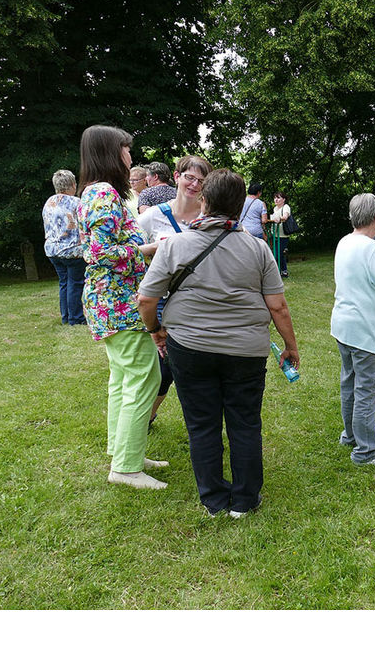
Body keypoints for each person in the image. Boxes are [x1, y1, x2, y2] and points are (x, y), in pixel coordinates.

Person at [137, 169, 299, 517]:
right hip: (246, 352)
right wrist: (291, 346)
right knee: (244, 422)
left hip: (189, 349)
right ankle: (244, 500)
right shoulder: (258, 250)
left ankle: (213, 499)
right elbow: (278, 306)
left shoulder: (175, 246)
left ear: (204, 202)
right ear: (241, 207)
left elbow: (146, 300)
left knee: (202, 423)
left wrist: (156, 330)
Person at [76, 125, 167, 490]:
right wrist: (148, 250)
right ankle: (126, 468)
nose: (132, 157)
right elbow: (98, 254)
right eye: (127, 150)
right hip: (117, 301)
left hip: (111, 299)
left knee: (123, 378)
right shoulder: (102, 194)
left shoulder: (98, 192)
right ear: (111, 153)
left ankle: (124, 451)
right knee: (147, 376)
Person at [136, 155, 213, 429]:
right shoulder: (153, 216)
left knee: (199, 364)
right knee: (166, 365)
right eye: (190, 177)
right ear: (177, 177)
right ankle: (146, 418)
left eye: (201, 181)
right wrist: (158, 248)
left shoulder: (209, 216)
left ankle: (203, 424)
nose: (194, 185)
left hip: (201, 299)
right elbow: (131, 253)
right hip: (162, 301)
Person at [331, 193, 375, 469]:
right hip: (367, 330)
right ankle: (366, 452)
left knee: (349, 383)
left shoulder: (345, 242)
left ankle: (350, 435)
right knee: (367, 392)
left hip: (344, 326)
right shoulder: (371, 249)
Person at [42, 169, 87, 325]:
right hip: (72, 250)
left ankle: (66, 317)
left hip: (52, 250)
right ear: (73, 185)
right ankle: (76, 318)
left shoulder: (49, 202)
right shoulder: (76, 202)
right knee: (75, 282)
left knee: (64, 282)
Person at [268, 191, 292, 277]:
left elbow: (285, 217)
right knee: (280, 253)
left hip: (283, 235)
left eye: (278, 198)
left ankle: (274, 273)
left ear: (284, 199)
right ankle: (284, 271)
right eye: (275, 198)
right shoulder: (275, 209)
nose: (276, 200)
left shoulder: (286, 207)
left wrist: (280, 218)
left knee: (277, 254)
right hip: (275, 234)